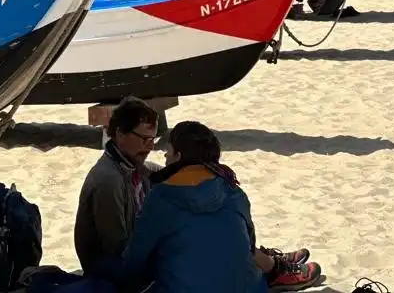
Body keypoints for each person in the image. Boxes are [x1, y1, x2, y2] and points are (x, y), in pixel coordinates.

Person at [118, 121, 323, 293]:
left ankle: (275, 267)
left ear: (178, 156)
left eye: (168, 151)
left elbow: (135, 258)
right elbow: (248, 244)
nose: (165, 157)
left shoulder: (161, 196)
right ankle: (274, 267)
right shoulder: (231, 187)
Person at [74, 97, 162, 277]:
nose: (150, 147)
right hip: (109, 274)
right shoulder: (109, 182)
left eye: (153, 139)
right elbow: (117, 249)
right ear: (120, 134)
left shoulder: (133, 165)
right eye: (145, 139)